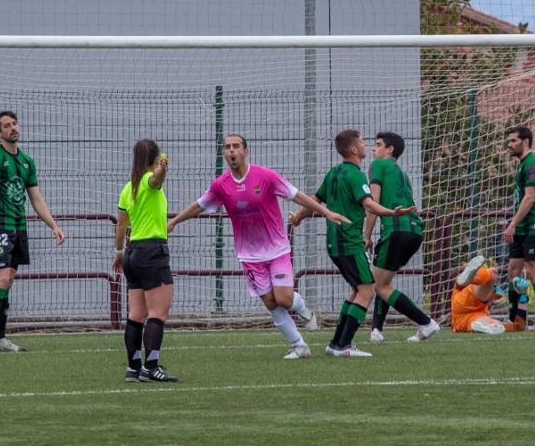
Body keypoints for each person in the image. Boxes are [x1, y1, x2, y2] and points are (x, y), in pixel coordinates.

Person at [167, 133, 346, 359]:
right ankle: (299, 346)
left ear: (245, 151)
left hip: (277, 249)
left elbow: (297, 196)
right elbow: (199, 206)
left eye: (236, 146)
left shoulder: (266, 176)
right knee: (271, 303)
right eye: (227, 147)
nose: (231, 151)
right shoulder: (221, 185)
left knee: (283, 299)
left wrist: (326, 212)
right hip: (249, 256)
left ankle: (302, 309)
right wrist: (173, 222)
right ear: (224, 153)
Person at [289, 129, 428, 357]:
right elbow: (370, 204)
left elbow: (314, 200)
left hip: (335, 244)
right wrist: (392, 213)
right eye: (364, 142)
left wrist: (297, 217)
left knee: (357, 290)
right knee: (367, 291)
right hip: (350, 243)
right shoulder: (356, 175)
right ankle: (343, 346)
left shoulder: (333, 173)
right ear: (354, 149)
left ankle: (335, 344)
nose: (368, 145)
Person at [0, 110, 65, 353]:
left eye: (14, 123)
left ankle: (1, 337)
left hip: (19, 227)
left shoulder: (27, 161)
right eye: (6, 126)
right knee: (1, 279)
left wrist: (54, 225)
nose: (13, 128)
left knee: (8, 281)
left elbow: (36, 199)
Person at [113, 139, 177, 382]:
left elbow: (121, 224)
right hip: (152, 252)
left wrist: (118, 252)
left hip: (131, 252)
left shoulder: (128, 188)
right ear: (154, 158)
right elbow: (156, 179)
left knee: (136, 314)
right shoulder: (150, 184)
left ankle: (133, 368)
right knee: (157, 314)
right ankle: (151, 367)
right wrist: (162, 167)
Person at [366, 131, 438, 344]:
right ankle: (376, 330)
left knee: (379, 285)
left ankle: (426, 323)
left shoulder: (378, 165)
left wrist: (366, 235)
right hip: (415, 231)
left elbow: (373, 203)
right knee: (384, 281)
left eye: (378, 144)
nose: (373, 149)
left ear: (389, 149)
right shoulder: (401, 172)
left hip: (396, 231)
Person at [502, 125, 535, 330]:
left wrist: (512, 223)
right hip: (522, 227)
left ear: (525, 142)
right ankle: (513, 318)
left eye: (513, 141)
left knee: (533, 270)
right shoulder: (522, 164)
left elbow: (530, 198)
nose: (509, 144)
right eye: (509, 141)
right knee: (513, 269)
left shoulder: (533, 163)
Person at [450, 255, 526, 334]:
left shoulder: (483, 306)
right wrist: (522, 295)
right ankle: (472, 278)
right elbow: (519, 326)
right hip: (466, 310)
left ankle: (484, 327)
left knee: (496, 325)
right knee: (492, 273)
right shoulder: (490, 293)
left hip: (466, 315)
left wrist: (522, 294)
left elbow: (518, 327)